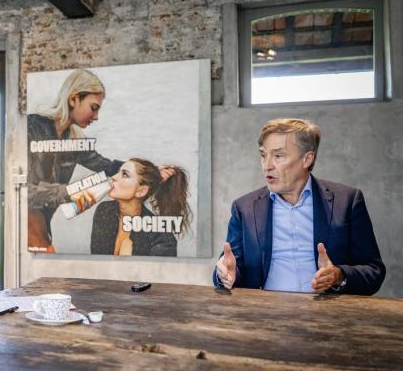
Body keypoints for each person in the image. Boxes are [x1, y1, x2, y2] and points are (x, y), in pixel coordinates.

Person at [214, 118, 385, 295]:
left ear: (307, 159)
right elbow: (230, 266)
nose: (267, 166)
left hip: (329, 315)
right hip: (264, 314)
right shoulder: (244, 208)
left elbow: (373, 271)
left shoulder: (347, 201)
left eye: (278, 156)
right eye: (264, 155)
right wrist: (225, 274)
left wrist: (338, 275)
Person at [27, 69, 123, 252]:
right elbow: (24, 191)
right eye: (93, 108)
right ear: (73, 99)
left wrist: (149, 170)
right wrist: (70, 193)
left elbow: (107, 166)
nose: (96, 117)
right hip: (26, 224)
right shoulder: (31, 126)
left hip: (44, 226)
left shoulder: (75, 141)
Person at [91, 158, 191, 257]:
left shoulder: (162, 237)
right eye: (118, 172)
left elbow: (158, 272)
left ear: (141, 191)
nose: (113, 177)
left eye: (124, 174)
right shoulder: (104, 210)